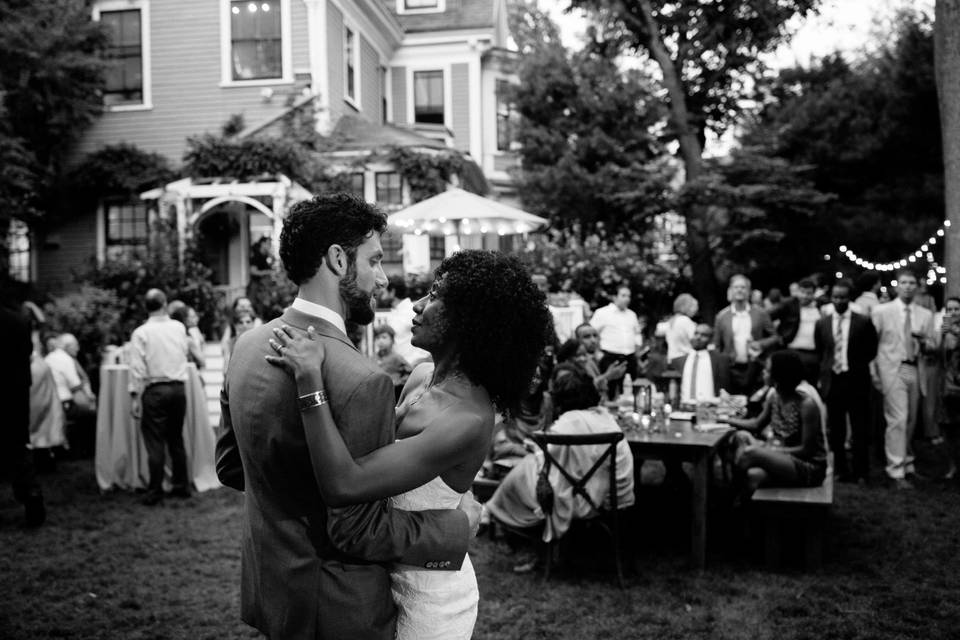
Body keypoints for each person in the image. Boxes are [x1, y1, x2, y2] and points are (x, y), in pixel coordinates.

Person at [215, 193, 485, 640]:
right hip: (337, 605)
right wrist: (456, 528)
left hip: (273, 585)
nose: (381, 279)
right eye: (375, 261)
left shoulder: (246, 346)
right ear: (338, 260)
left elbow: (230, 467)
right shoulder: (363, 379)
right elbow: (356, 528)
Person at [266, 249, 550, 639]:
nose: (416, 305)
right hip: (384, 579)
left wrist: (310, 383)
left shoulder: (466, 419)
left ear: (469, 322)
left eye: (434, 296)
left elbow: (345, 484)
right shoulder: (421, 375)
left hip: (431, 601)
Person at [484, 363, 634, 548]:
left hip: (588, 499)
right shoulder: (605, 418)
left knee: (528, 470)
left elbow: (547, 459)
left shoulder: (567, 423)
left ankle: (505, 519)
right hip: (616, 496)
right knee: (531, 467)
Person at [724, 351, 828, 491]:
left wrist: (770, 450)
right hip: (782, 457)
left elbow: (806, 450)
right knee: (742, 442)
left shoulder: (806, 404)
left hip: (808, 466)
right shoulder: (775, 397)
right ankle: (741, 503)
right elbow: (756, 424)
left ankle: (729, 497)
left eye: (767, 370)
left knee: (750, 453)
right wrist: (724, 419)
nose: (763, 372)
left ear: (780, 374)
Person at [871, 270, 936, 489]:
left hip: (914, 368)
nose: (908, 286)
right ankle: (895, 471)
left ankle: (907, 464)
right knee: (897, 418)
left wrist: (925, 343)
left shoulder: (925, 314)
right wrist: (874, 372)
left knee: (910, 420)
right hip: (892, 367)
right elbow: (873, 344)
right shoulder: (881, 311)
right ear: (897, 286)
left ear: (917, 286)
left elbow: (931, 346)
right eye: (903, 283)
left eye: (911, 283)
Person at [128, 289, 193, 505]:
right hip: (178, 389)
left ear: (146, 307)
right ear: (165, 304)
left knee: (155, 442)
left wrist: (135, 397)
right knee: (176, 439)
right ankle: (181, 486)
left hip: (155, 390)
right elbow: (184, 352)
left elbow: (137, 368)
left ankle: (155, 490)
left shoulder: (141, 333)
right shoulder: (179, 327)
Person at [815, 280, 878, 482]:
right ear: (831, 298)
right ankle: (840, 469)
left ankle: (861, 471)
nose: (839, 301)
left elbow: (871, 349)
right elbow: (821, 350)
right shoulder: (822, 322)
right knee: (836, 429)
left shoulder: (863, 321)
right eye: (835, 297)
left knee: (860, 428)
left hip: (856, 379)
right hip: (833, 380)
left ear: (849, 299)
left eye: (843, 297)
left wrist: (855, 365)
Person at [0, 286, 45, 527]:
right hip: (16, 393)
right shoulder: (20, 321)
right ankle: (32, 497)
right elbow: (27, 353)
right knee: (19, 446)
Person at [713, 274, 778, 395]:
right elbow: (716, 345)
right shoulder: (722, 316)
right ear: (730, 291)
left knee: (753, 404)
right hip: (730, 368)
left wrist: (760, 344)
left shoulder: (760, 313)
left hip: (755, 366)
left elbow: (775, 337)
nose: (739, 290)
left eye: (743, 287)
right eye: (736, 287)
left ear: (749, 291)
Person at [44, 333, 96, 458]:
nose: (78, 348)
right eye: (76, 345)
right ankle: (87, 451)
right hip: (64, 403)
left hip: (51, 403)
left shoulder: (49, 357)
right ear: (68, 346)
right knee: (92, 415)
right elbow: (75, 385)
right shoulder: (66, 359)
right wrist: (90, 398)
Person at [590, 285, 643, 400]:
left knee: (630, 389)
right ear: (614, 297)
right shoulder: (602, 313)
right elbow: (592, 332)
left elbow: (637, 334)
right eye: (623, 295)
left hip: (629, 356)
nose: (627, 299)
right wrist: (597, 353)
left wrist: (637, 352)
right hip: (610, 356)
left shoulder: (631, 314)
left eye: (628, 296)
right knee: (610, 390)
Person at [770, 279, 821, 384]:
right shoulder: (788, 304)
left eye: (809, 293)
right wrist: (776, 336)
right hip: (791, 351)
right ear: (797, 291)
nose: (805, 296)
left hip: (813, 355)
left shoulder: (820, 306)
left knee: (810, 385)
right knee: (789, 384)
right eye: (802, 292)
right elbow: (767, 317)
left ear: (814, 294)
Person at [669, 324, 733, 405]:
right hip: (684, 409)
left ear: (710, 340)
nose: (698, 337)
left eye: (704, 335)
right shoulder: (680, 361)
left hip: (710, 408)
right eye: (696, 333)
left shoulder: (720, 360)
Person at [379, 275, 430, 366]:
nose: (380, 291)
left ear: (392, 291)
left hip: (410, 369)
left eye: (384, 288)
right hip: (395, 368)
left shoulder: (412, 311)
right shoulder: (394, 312)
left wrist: (412, 363)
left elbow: (427, 339)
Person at [938, 296, 960, 480]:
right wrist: (941, 336)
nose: (952, 313)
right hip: (947, 386)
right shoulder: (943, 331)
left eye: (956, 309)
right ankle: (952, 466)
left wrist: (956, 332)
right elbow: (938, 357)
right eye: (949, 309)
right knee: (948, 429)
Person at [574, 323, 626, 396]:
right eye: (586, 337)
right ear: (576, 340)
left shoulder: (601, 358)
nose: (593, 340)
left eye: (595, 336)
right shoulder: (575, 361)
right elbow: (584, 388)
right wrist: (607, 376)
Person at [657, 293, 698, 361]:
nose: (695, 310)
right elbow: (696, 341)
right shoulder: (685, 321)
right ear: (685, 306)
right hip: (685, 359)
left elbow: (658, 330)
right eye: (693, 306)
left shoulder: (672, 320)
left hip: (671, 358)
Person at [373, 323, 413, 393]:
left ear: (392, 340)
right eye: (378, 338)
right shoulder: (373, 358)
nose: (380, 341)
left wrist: (399, 382)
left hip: (393, 392)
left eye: (384, 337)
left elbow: (410, 373)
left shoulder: (397, 358)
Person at [169, 302, 206, 368]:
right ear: (185, 319)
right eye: (193, 316)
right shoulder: (188, 340)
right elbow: (202, 361)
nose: (197, 318)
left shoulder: (172, 335)